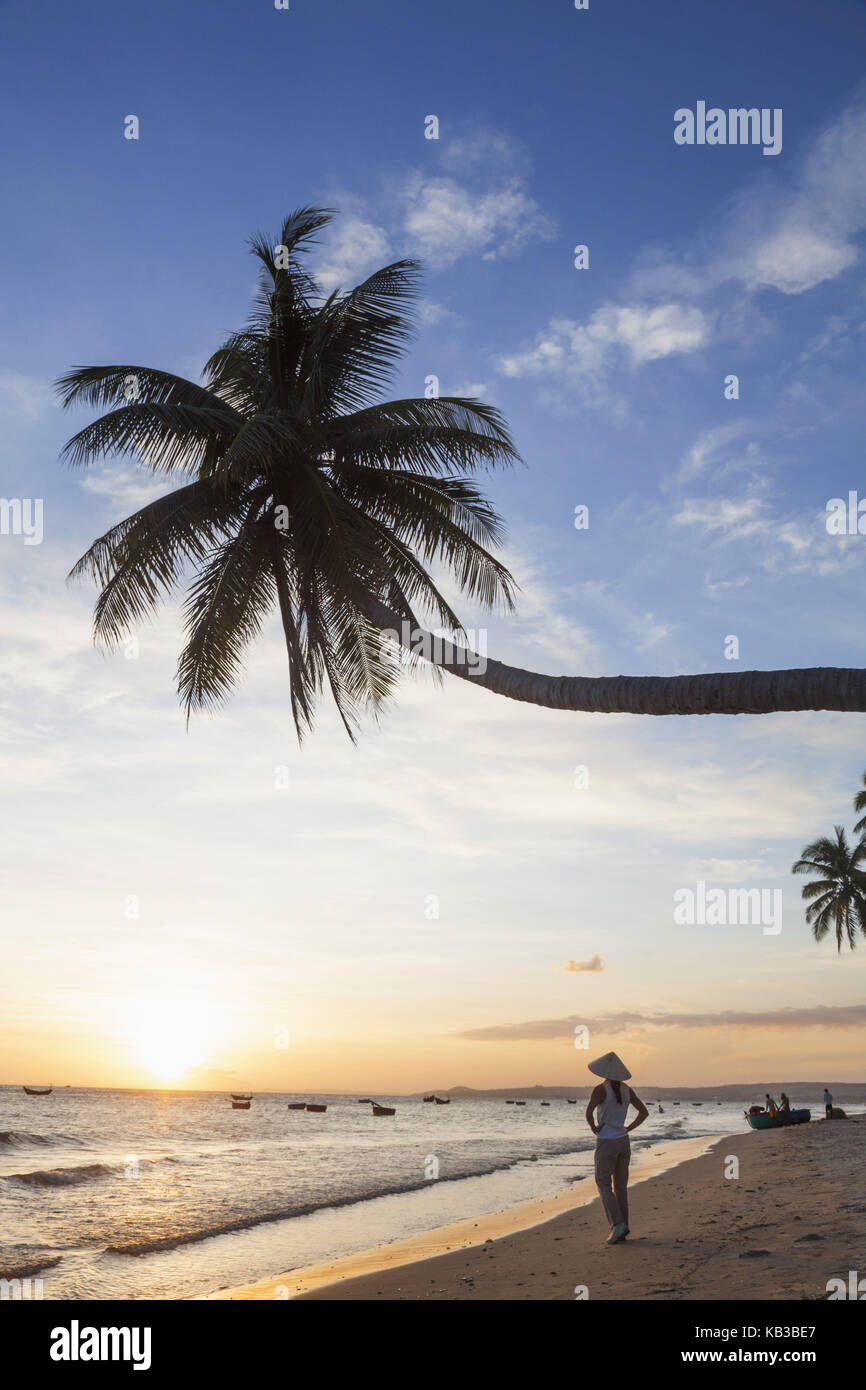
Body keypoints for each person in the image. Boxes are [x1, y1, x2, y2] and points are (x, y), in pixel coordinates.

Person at [585, 1050, 648, 1246]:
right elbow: (644, 1112)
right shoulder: (627, 1090)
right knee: (620, 1186)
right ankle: (623, 1227)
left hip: (607, 1141)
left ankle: (617, 1224)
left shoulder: (600, 1089)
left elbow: (588, 1113)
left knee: (603, 1182)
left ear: (604, 1071)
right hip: (623, 1140)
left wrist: (594, 1128)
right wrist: (628, 1128)